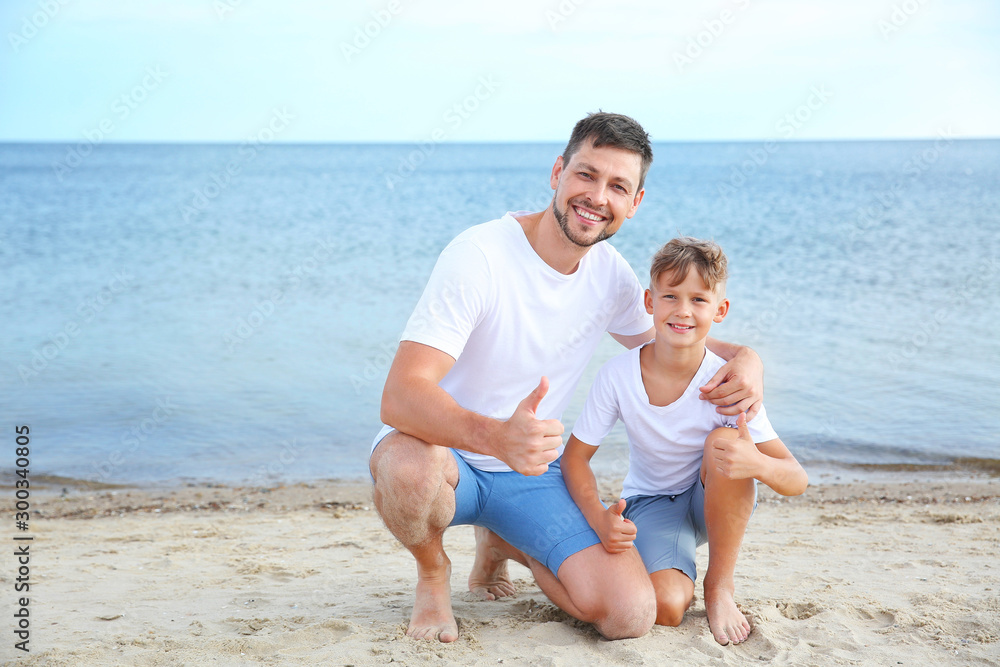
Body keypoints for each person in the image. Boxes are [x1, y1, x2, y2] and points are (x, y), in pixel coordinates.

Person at [370, 112, 766, 643]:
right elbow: (399, 396)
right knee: (404, 466)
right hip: (448, 461)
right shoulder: (479, 255)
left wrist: (746, 357)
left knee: (629, 615)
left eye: (618, 186)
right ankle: (432, 572)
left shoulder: (611, 277)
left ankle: (508, 540)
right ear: (558, 172)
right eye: (586, 174)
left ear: (634, 203)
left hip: (530, 471)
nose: (597, 196)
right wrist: (493, 437)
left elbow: (672, 340)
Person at [561, 236, 808, 646]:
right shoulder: (618, 375)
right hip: (652, 504)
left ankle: (719, 586)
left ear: (720, 310)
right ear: (648, 301)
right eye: (671, 296)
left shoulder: (731, 383)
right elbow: (574, 459)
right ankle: (678, 570)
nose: (683, 311)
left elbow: (796, 480)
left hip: (715, 496)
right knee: (668, 607)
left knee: (725, 445)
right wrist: (598, 516)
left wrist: (757, 464)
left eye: (698, 300)